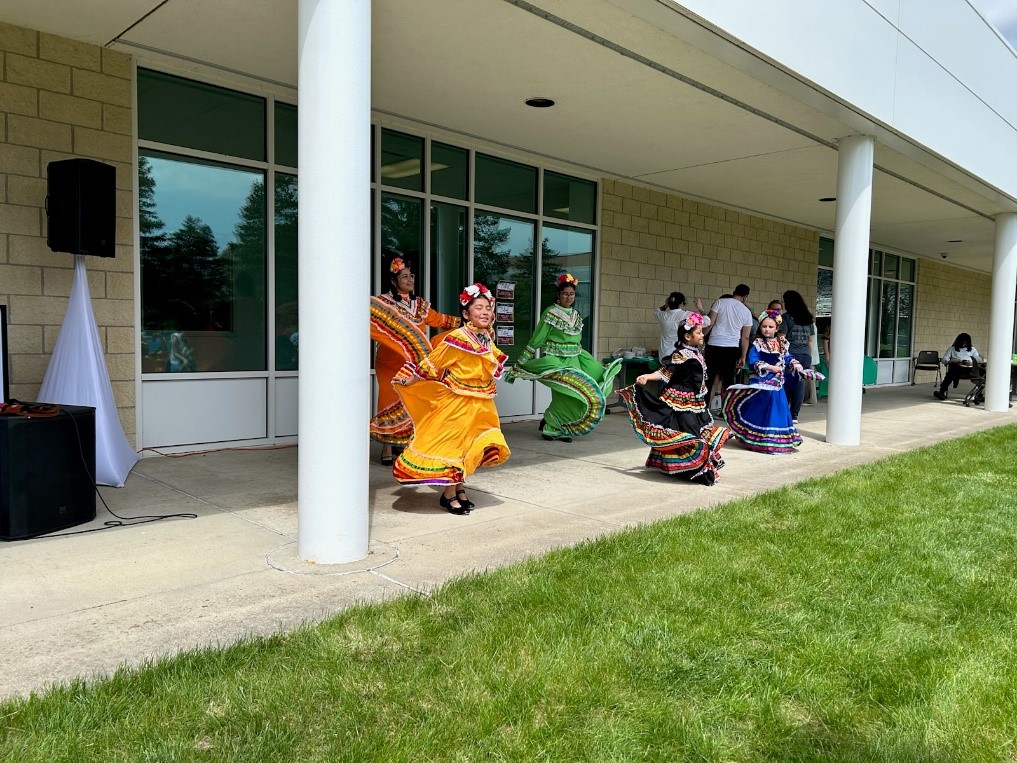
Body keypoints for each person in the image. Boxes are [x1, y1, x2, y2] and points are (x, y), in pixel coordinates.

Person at [392, 283, 510, 514]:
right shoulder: (457, 338)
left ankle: (460, 489)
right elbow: (432, 364)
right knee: (454, 448)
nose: (485, 312)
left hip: (482, 401)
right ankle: (448, 495)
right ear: (466, 314)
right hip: (459, 402)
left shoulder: (485, 337)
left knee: (470, 446)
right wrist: (409, 382)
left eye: (488, 307)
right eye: (479, 307)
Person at [618, 313, 730, 485]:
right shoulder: (681, 355)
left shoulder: (696, 352)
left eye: (701, 332)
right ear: (687, 336)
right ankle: (695, 469)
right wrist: (647, 376)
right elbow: (665, 372)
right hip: (680, 400)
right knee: (688, 432)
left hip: (694, 400)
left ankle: (686, 466)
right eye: (699, 332)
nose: (702, 335)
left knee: (694, 429)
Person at [507, 273, 622, 442]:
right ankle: (550, 426)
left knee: (582, 390)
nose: (569, 297)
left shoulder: (575, 314)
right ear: (559, 295)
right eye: (565, 294)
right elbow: (538, 337)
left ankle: (564, 428)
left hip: (575, 358)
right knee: (563, 394)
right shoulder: (551, 312)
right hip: (558, 360)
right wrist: (524, 359)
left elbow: (577, 340)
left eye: (572, 294)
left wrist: (587, 360)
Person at [370, 257, 462, 465]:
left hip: (413, 363)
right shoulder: (382, 303)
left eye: (411, 276)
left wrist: (464, 322)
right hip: (388, 362)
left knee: (412, 400)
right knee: (387, 398)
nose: (410, 279)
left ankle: (406, 445)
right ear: (394, 281)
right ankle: (386, 446)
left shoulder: (419, 305)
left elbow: (439, 320)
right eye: (404, 276)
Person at [722, 310, 821, 454]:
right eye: (764, 327)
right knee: (763, 407)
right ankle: (762, 440)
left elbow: (787, 357)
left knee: (779, 406)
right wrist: (770, 367)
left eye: (770, 327)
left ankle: (777, 440)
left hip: (777, 382)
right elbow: (753, 361)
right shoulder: (757, 343)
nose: (767, 329)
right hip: (763, 381)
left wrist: (796, 363)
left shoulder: (782, 342)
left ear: (776, 328)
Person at [704, 283, 753, 412]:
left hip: (714, 345)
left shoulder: (720, 302)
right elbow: (745, 337)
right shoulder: (746, 312)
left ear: (734, 291)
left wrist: (701, 335)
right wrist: (743, 356)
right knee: (728, 380)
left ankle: (705, 409)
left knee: (710, 378)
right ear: (745, 296)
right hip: (732, 347)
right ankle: (727, 411)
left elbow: (710, 322)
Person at [780, 289, 817, 422]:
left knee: (786, 383)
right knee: (799, 384)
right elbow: (811, 340)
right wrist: (808, 355)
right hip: (805, 354)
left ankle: (785, 411)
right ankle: (794, 414)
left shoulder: (786, 317)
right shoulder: (808, 318)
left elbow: (782, 338)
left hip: (791, 355)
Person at [655, 291, 711, 361]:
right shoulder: (687, 315)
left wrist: (666, 305)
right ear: (681, 304)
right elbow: (707, 321)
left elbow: (657, 311)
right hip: (681, 356)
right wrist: (700, 308)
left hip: (664, 356)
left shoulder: (663, 316)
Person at [934, 333, 983, 400]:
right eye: (962, 343)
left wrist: (971, 363)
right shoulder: (952, 349)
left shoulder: (972, 349)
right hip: (957, 368)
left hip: (970, 368)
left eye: (965, 343)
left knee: (983, 371)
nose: (963, 344)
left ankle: (979, 394)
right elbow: (944, 359)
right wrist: (952, 361)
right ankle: (941, 392)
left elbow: (978, 360)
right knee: (953, 369)